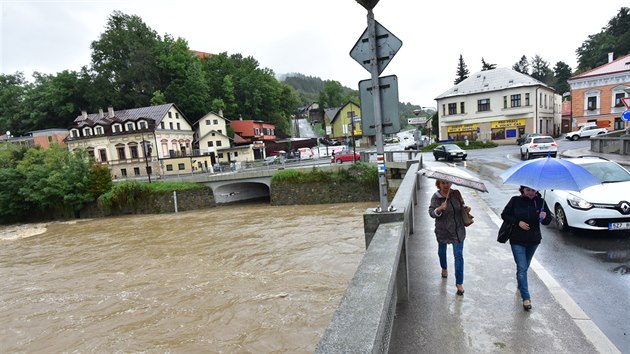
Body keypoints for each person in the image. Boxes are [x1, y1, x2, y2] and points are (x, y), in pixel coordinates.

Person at [500, 185, 552, 311]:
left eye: (533, 190)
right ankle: (526, 298)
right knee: (522, 267)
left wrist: (544, 217)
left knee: (525, 266)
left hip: (533, 240)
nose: (530, 193)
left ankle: (520, 282)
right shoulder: (515, 200)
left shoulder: (540, 202)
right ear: (522, 190)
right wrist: (518, 222)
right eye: (527, 190)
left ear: (536, 191)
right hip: (517, 240)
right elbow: (504, 215)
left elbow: (547, 221)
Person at [428, 179, 471, 295]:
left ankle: (459, 283)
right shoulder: (436, 197)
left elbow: (462, 206)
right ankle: (444, 267)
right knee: (442, 251)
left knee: (458, 255)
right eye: (443, 183)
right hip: (443, 230)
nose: (446, 185)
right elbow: (431, 212)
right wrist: (440, 209)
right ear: (439, 184)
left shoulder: (456, 194)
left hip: (458, 231)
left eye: (447, 183)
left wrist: (466, 209)